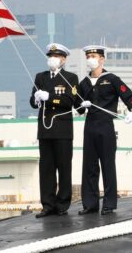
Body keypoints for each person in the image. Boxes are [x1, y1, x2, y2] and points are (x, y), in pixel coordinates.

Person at [77, 45, 132, 215]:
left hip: (106, 126)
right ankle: (90, 204)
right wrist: (80, 104)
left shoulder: (111, 79)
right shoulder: (84, 83)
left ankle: (109, 204)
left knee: (107, 165)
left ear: (102, 59)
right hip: (89, 126)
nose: (90, 58)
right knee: (89, 166)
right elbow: (79, 109)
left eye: (93, 55)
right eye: (88, 56)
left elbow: (130, 96)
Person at [29, 43, 79, 218]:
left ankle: (62, 204)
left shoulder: (70, 78)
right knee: (47, 169)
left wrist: (50, 97)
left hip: (63, 129)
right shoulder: (40, 77)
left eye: (56, 56)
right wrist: (36, 99)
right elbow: (32, 101)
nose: (52, 59)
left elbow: (69, 101)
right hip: (45, 130)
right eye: (50, 56)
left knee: (64, 167)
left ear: (64, 60)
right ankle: (48, 204)